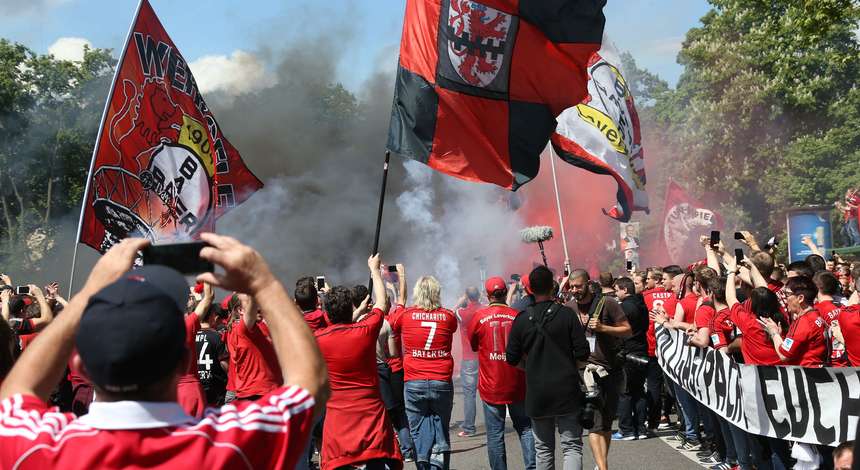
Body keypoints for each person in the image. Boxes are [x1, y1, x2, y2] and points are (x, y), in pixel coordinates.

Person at [0, 234, 329, 468]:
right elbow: (311, 384)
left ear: (79, 364)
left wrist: (91, 291)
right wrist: (264, 283)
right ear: (182, 361)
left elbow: (16, 391)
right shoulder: (229, 444)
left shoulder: (40, 449)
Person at [313, 255, 403, 470]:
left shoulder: (318, 340)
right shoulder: (365, 331)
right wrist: (374, 270)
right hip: (371, 421)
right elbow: (382, 302)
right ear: (350, 308)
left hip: (338, 426)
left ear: (327, 313)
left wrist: (356, 312)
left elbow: (336, 328)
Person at [506, 266, 590, 470]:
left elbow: (511, 358)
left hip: (537, 390)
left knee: (543, 449)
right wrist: (570, 366)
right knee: (571, 447)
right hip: (566, 388)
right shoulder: (567, 315)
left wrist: (529, 367)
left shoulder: (522, 319)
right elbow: (583, 354)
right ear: (552, 287)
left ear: (530, 290)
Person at [389, 275, 457, 470]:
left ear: (417, 293)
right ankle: (439, 464)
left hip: (414, 380)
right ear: (437, 293)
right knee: (441, 428)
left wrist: (401, 301)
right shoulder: (448, 315)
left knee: (418, 430)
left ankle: (423, 463)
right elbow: (451, 328)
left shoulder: (406, 314)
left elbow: (392, 322)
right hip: (441, 379)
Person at [565, 269, 631, 470]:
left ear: (588, 284)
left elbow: (627, 330)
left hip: (608, 370)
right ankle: (603, 467)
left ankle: (601, 463)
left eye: (579, 286)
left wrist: (604, 328)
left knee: (606, 423)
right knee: (592, 423)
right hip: (584, 373)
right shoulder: (568, 309)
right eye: (572, 287)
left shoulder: (607, 303)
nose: (575, 290)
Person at [468, 276, 535, 470]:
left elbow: (473, 346)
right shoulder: (517, 315)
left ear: (487, 295)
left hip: (492, 384)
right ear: (505, 292)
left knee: (495, 434)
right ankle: (532, 467)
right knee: (525, 428)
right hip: (517, 381)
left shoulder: (480, 317)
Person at [225, 288, 283, 402]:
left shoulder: (261, 326)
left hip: (271, 392)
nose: (259, 307)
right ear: (241, 310)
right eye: (253, 304)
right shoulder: (241, 329)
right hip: (254, 395)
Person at [611, 277, 649, 441]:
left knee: (625, 391)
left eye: (617, 290)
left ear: (625, 290)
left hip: (628, 352)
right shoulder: (642, 304)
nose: (616, 293)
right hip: (641, 349)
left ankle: (626, 429)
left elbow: (618, 330)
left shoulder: (624, 307)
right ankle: (640, 428)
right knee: (639, 390)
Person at [760, 276, 827, 367]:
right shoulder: (816, 315)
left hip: (807, 375)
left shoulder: (804, 322)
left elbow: (784, 355)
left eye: (787, 294)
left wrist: (774, 333)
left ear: (800, 298)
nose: (785, 299)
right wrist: (779, 337)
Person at [454, 286, 483, 438]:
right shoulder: (484, 310)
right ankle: (493, 425)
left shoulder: (462, 312)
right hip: (484, 358)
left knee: (469, 394)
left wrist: (460, 301)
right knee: (487, 393)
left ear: (467, 296)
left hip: (470, 359)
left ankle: (470, 428)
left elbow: (452, 312)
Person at [194, 287, 230, 406]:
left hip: (197, 386)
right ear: (213, 316)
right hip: (215, 389)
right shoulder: (216, 337)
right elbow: (225, 365)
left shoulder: (191, 335)